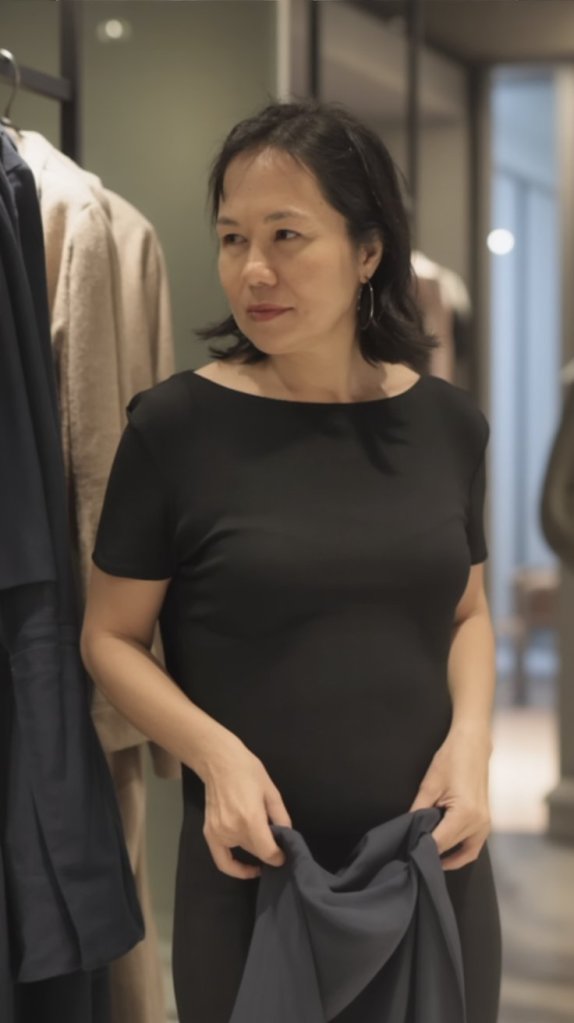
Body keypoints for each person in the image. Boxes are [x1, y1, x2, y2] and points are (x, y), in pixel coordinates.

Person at [81, 101, 501, 1023]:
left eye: (286, 235)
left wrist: (472, 745)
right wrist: (215, 756)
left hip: (434, 854)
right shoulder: (175, 427)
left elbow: (467, 612)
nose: (254, 270)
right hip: (255, 863)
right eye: (233, 238)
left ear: (368, 250)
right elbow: (108, 637)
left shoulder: (448, 424)